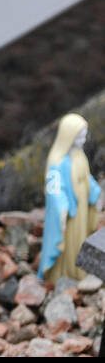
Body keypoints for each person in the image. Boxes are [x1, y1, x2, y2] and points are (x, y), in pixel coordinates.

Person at [41, 113, 103, 282]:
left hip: (81, 205)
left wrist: (96, 192)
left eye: (84, 134)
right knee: (69, 241)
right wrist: (61, 208)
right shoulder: (57, 161)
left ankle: (81, 270)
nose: (84, 138)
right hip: (69, 211)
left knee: (81, 238)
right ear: (69, 135)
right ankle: (65, 274)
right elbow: (54, 188)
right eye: (80, 134)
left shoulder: (79, 155)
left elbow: (87, 178)